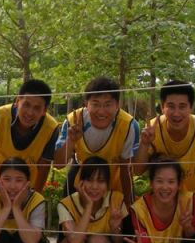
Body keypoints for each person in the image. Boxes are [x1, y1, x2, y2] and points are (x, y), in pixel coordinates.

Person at [53, 77, 138, 207]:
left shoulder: (128, 125)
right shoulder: (73, 121)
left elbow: (126, 168)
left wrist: (128, 205)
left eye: (108, 104)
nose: (101, 111)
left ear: (117, 105)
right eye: (96, 104)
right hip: (82, 180)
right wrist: (71, 141)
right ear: (86, 104)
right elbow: (58, 164)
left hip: (114, 182)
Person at [133, 80, 195, 201]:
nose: (176, 113)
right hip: (164, 201)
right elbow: (138, 171)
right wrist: (144, 143)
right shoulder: (154, 128)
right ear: (162, 107)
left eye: (182, 106)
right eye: (171, 106)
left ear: (191, 107)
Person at [0, 78, 59, 194]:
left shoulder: (51, 128)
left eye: (37, 108)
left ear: (44, 110)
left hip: (27, 182)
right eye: (26, 105)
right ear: (17, 101)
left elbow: (44, 166)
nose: (30, 112)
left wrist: (35, 198)